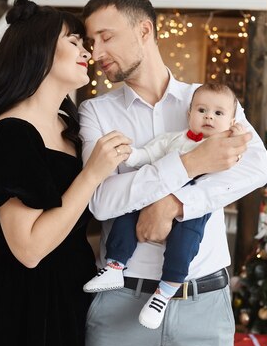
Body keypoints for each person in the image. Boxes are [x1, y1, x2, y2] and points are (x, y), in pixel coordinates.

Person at [79, 0, 267, 346]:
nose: (96, 53)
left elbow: (255, 169)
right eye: (91, 41)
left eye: (106, 37)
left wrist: (175, 204)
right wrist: (192, 162)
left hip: (204, 304)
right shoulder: (95, 113)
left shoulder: (211, 102)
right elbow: (102, 201)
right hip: (120, 301)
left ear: (144, 31)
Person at [0, 0, 132, 346]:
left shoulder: (70, 124)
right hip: (22, 302)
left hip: (72, 288)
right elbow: (29, 250)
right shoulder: (12, 131)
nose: (88, 53)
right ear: (41, 50)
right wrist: (91, 173)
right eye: (74, 42)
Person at [82, 83, 246, 329]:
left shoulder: (227, 146)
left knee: (186, 242)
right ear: (189, 113)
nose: (209, 116)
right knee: (126, 218)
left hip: (193, 203)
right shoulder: (174, 139)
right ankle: (115, 264)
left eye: (218, 114)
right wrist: (131, 155)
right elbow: (148, 153)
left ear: (232, 122)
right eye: (202, 110)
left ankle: (165, 291)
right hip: (153, 188)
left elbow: (245, 172)